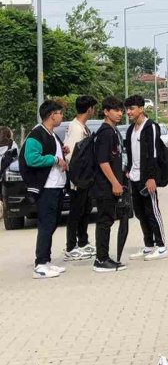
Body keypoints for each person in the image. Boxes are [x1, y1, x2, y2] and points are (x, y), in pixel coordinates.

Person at [21, 101, 69, 279]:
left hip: (56, 186)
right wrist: (54, 160)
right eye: (59, 113)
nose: (62, 116)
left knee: (53, 223)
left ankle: (46, 261)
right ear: (51, 115)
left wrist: (62, 151)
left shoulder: (52, 135)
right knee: (46, 225)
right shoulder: (37, 134)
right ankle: (40, 264)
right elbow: (31, 159)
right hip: (46, 187)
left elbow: (53, 153)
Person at [124, 95, 168, 260]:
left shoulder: (151, 127)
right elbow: (129, 153)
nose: (128, 112)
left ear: (141, 109)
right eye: (127, 109)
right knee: (140, 213)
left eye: (132, 108)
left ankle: (161, 245)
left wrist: (152, 178)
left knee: (152, 211)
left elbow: (154, 155)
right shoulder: (130, 129)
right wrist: (128, 170)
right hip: (134, 177)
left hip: (147, 178)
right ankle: (149, 245)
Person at [93, 96, 127, 273]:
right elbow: (103, 161)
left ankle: (104, 257)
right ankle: (101, 259)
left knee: (108, 220)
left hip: (111, 185)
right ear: (106, 112)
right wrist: (114, 182)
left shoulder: (112, 131)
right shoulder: (105, 132)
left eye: (121, 110)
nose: (119, 113)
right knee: (104, 221)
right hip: (105, 187)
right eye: (115, 110)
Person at [63, 95, 98, 261]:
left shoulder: (82, 127)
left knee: (85, 209)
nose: (94, 110)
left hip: (84, 177)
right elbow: (72, 155)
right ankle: (71, 246)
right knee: (76, 212)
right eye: (93, 108)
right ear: (89, 109)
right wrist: (76, 178)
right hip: (77, 178)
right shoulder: (76, 128)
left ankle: (83, 242)